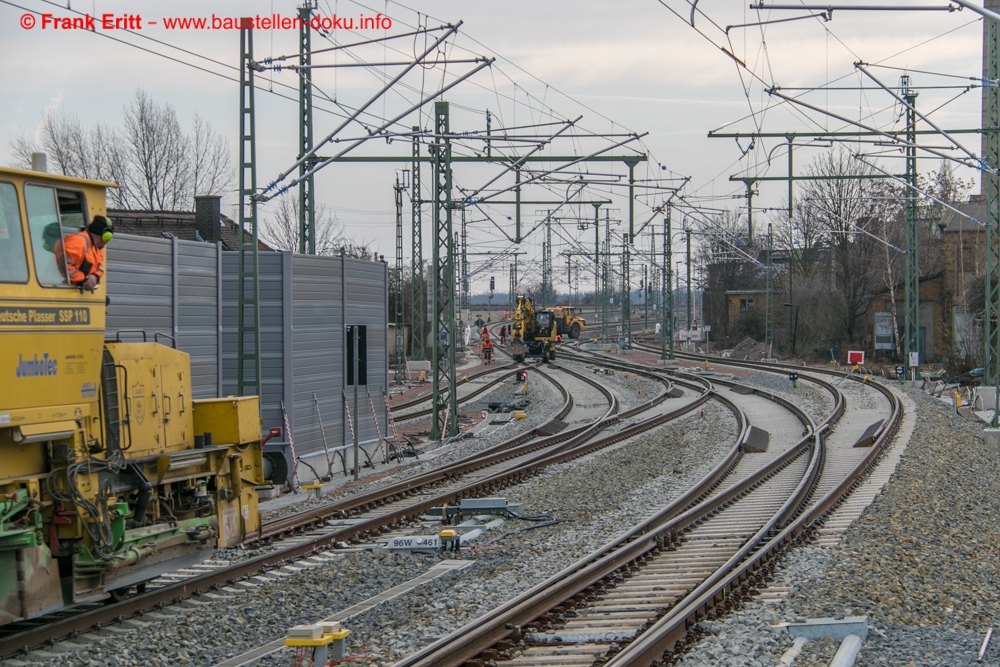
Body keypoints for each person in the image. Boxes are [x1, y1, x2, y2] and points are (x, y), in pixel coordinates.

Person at [55, 215, 113, 292]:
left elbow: (100, 269)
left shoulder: (95, 248)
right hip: (62, 292)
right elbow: (65, 267)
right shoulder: (78, 242)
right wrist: (84, 279)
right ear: (106, 236)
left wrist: (95, 277)